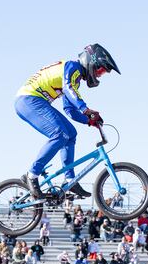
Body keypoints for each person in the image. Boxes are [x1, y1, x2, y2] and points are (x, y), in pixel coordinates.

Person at [15, 44, 120, 199]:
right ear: (91, 63)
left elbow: (69, 110)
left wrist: (88, 121)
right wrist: (85, 109)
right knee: (59, 134)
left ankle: (69, 180)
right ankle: (31, 175)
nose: (99, 75)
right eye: (100, 70)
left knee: (70, 133)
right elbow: (69, 88)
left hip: (35, 102)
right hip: (28, 100)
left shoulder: (73, 78)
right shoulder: (73, 68)